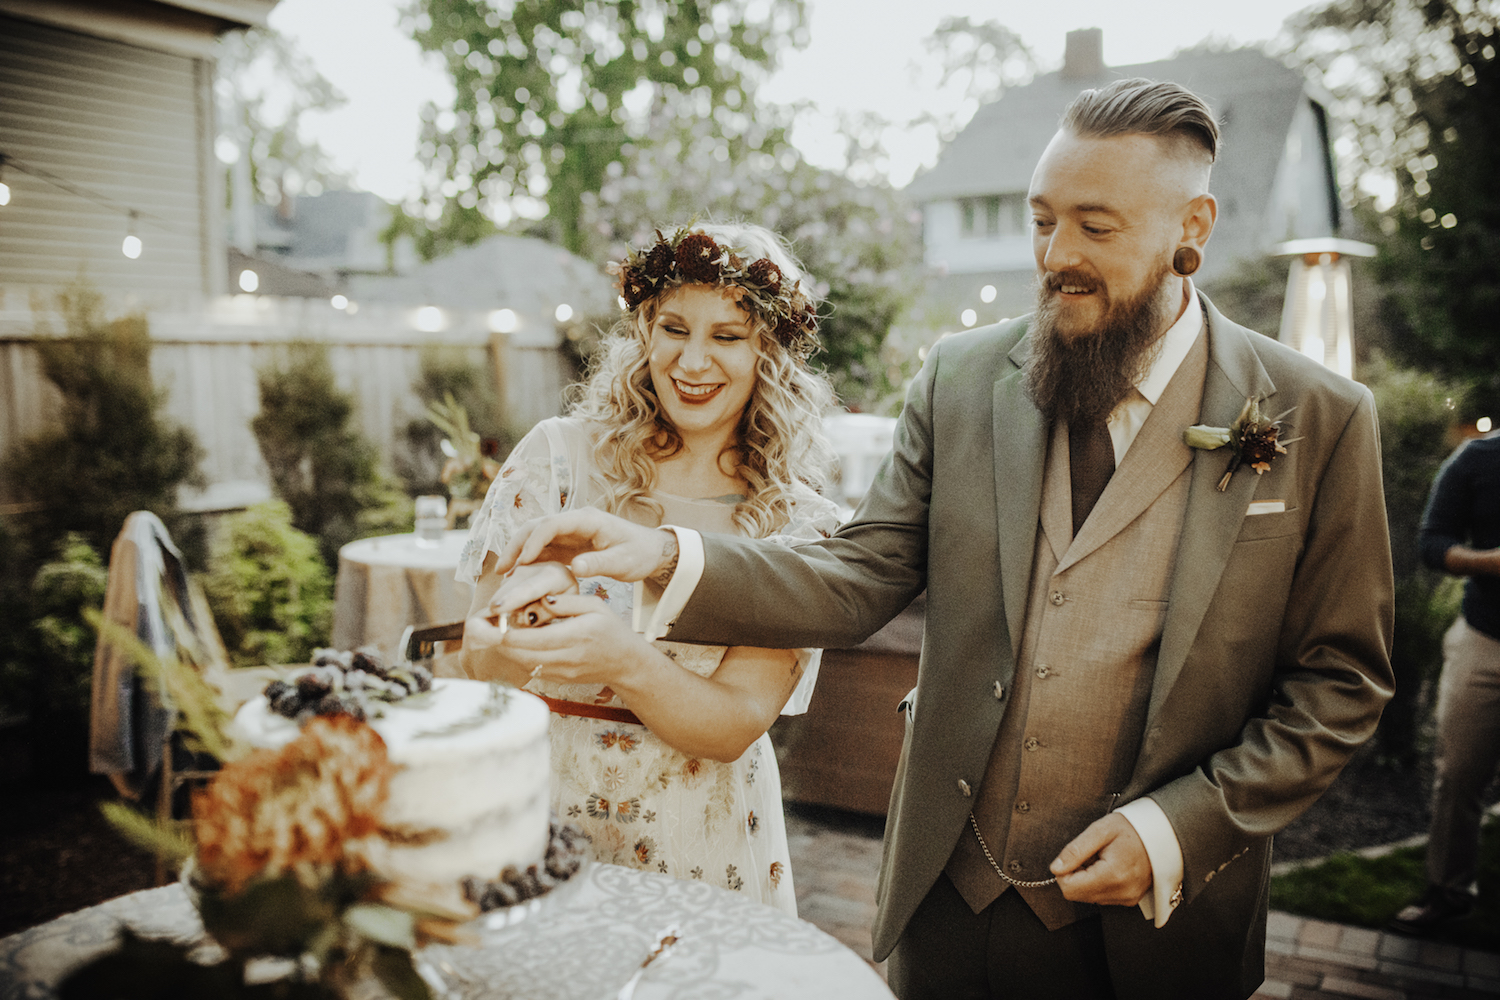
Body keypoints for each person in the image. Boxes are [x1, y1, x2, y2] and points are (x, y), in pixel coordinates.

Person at [489, 79, 1396, 1000]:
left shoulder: (1316, 416)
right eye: (1042, 221)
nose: (1056, 256)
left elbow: (1341, 683)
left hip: (1164, 926)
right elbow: (858, 574)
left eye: (1096, 227)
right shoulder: (961, 380)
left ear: (1190, 226)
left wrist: (1178, 831)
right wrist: (669, 556)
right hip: (954, 898)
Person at [454, 221, 841, 915]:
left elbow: (733, 725)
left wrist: (621, 658)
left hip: (702, 839)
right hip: (540, 816)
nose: (692, 362)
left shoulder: (798, 524)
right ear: (643, 333)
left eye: (727, 336)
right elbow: (477, 666)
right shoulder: (558, 460)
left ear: (769, 355)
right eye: (673, 329)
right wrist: (516, 622)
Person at [1389, 429, 1500, 934]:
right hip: (1484, 640)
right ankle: (1448, 894)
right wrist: (1491, 562)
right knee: (1458, 775)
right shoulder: (1478, 458)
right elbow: (1432, 544)